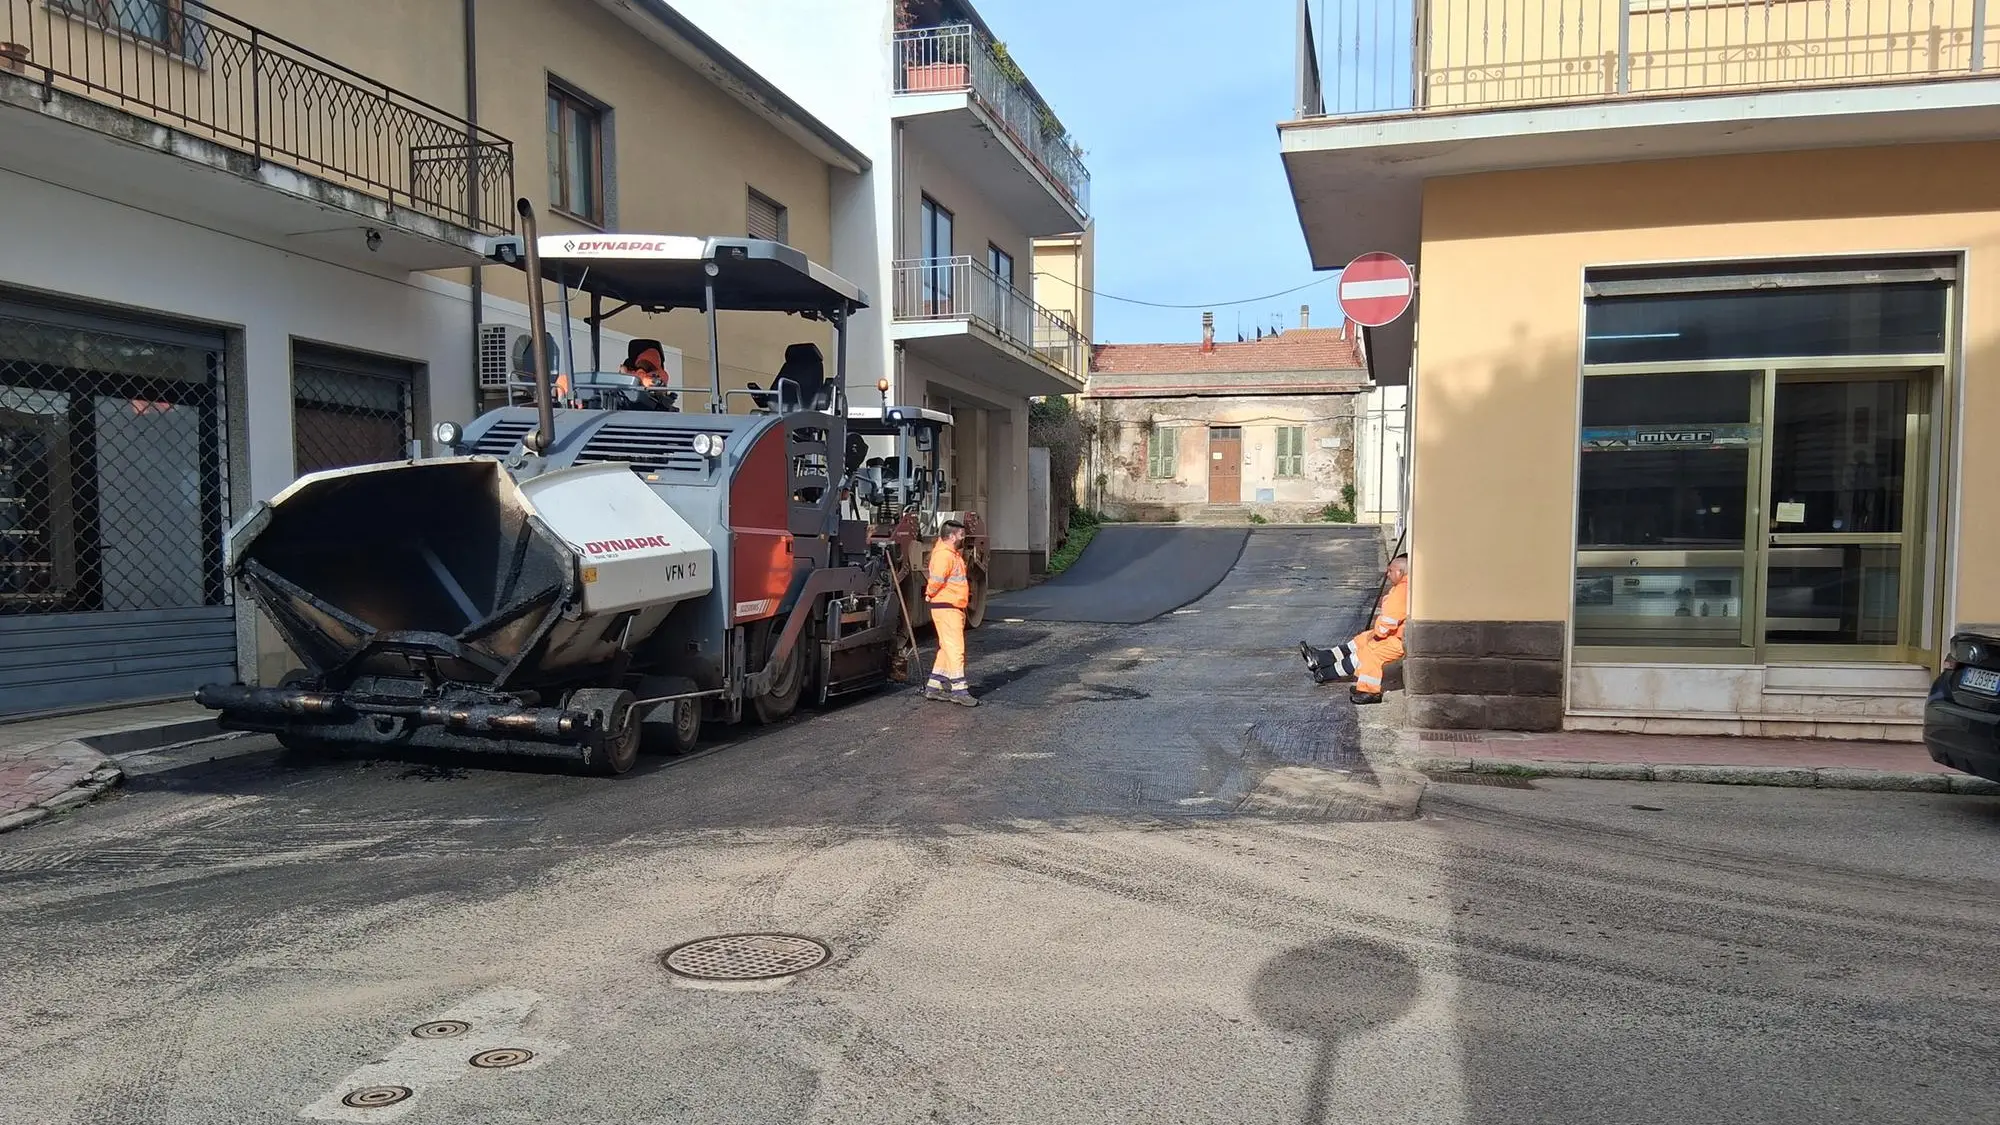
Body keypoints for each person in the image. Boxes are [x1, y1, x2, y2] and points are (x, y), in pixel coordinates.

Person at [1299, 554, 1409, 706]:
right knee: (1362, 640)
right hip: (1397, 636)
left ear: (1400, 572)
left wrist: (1378, 634)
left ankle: (1368, 691)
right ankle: (1322, 660)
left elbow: (1389, 621)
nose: (1387, 574)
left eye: (1390, 571)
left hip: (1398, 639)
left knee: (1370, 653)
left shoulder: (1402, 591)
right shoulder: (1403, 587)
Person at [924, 519, 977, 707]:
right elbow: (936, 580)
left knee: (947, 648)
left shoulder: (949, 554)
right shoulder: (944, 556)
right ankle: (959, 690)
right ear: (952, 536)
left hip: (950, 606)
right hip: (947, 607)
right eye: (961, 535)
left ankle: (934, 686)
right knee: (955, 648)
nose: (964, 538)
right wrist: (930, 594)